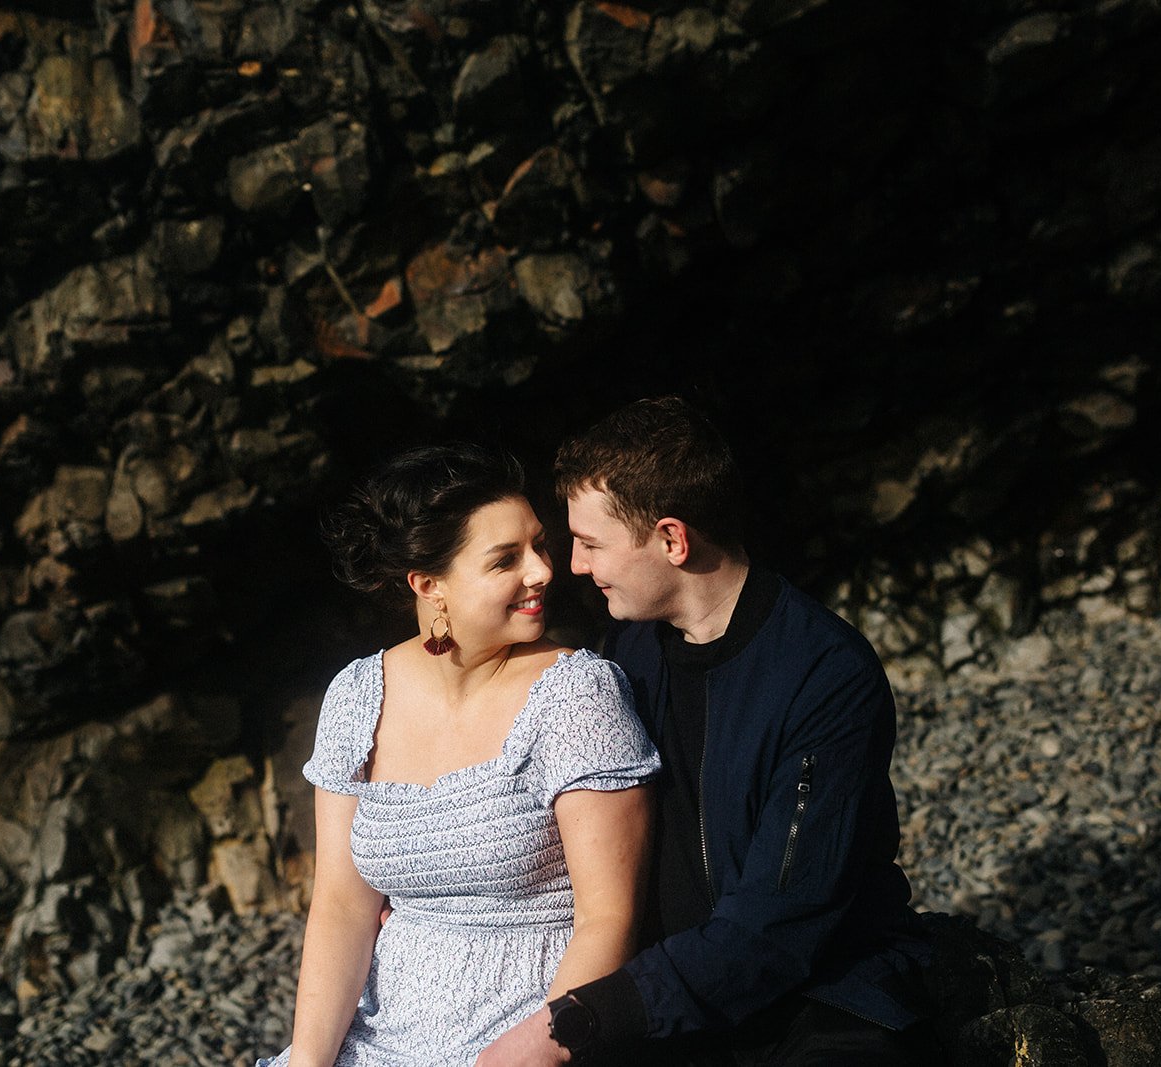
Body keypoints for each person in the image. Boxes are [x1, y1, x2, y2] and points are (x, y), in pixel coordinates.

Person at [478, 398, 937, 1066]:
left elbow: (778, 927)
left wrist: (578, 1022)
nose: (574, 565)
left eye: (592, 542)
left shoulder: (826, 674)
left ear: (672, 539)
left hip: (817, 995)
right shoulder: (626, 649)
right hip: (666, 987)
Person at [258, 444, 660, 1067]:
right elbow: (341, 905)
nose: (544, 571)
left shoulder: (579, 696)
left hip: (529, 1035)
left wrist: (547, 1048)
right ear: (429, 585)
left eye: (539, 545)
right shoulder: (358, 696)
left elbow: (608, 918)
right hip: (381, 1029)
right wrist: (310, 1059)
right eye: (506, 560)